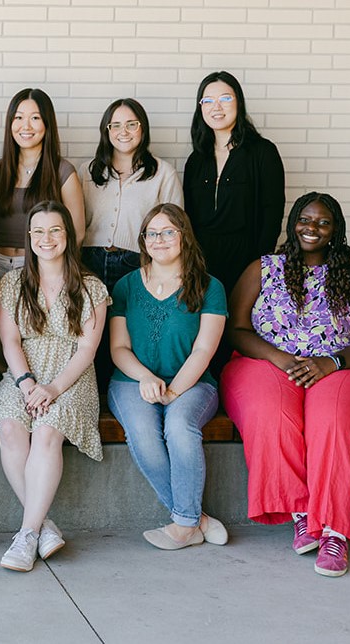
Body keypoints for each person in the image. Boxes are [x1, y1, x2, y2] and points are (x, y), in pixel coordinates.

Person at [221, 192, 350, 578]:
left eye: (323, 222)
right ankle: (303, 511)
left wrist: (330, 362)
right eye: (305, 219)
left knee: (331, 420)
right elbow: (237, 328)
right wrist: (279, 359)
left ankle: (334, 531)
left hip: (342, 368)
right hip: (267, 361)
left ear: (335, 231)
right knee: (269, 411)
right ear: (293, 222)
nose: (312, 228)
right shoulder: (264, 269)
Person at [0, 200, 108, 572]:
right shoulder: (12, 283)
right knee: (9, 425)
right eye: (38, 231)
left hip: (70, 377)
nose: (46, 238)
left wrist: (52, 389)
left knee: (47, 430)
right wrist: (26, 384)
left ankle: (25, 536)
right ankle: (43, 526)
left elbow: (87, 349)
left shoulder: (91, 288)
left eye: (55, 230)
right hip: (24, 373)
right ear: (29, 237)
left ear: (68, 235)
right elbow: (9, 342)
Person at [106, 204, 230, 552]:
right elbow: (118, 347)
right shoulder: (126, 286)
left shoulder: (210, 286)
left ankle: (183, 526)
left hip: (193, 382)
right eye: (152, 233)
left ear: (183, 236)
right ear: (143, 241)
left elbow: (204, 350)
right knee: (144, 433)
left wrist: (175, 390)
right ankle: (195, 520)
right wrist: (146, 378)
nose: (159, 240)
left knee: (179, 428)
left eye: (168, 232)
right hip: (131, 380)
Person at [182, 71, 286, 294]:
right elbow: (188, 217)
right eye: (208, 101)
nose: (216, 107)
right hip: (202, 266)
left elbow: (272, 214)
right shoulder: (196, 160)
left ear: (239, 102)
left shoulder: (263, 152)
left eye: (225, 99)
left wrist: (258, 266)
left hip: (247, 262)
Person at [80, 98, 182, 293]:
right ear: (106, 130)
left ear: (142, 128)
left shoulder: (163, 173)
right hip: (89, 261)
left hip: (138, 262)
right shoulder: (87, 171)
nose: (123, 132)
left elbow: (175, 229)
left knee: (128, 322)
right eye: (115, 125)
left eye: (131, 125)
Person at [0, 88, 86, 280]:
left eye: (35, 118)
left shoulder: (63, 171)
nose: (26, 126)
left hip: (40, 266)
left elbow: (78, 233)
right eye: (19, 118)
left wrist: (51, 266)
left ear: (47, 123)